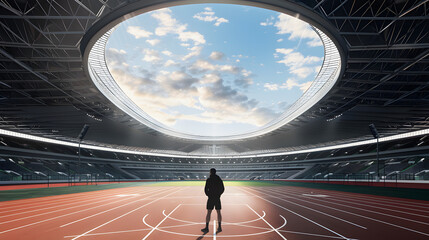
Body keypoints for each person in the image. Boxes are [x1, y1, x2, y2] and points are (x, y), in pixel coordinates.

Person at [201, 168, 224, 233]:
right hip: (217, 198)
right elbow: (222, 188)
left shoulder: (209, 179)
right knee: (218, 212)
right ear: (215, 172)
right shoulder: (219, 179)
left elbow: (205, 189)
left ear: (210, 172)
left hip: (210, 198)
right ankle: (219, 227)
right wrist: (219, 195)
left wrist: (209, 195)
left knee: (209, 213)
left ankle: (207, 228)